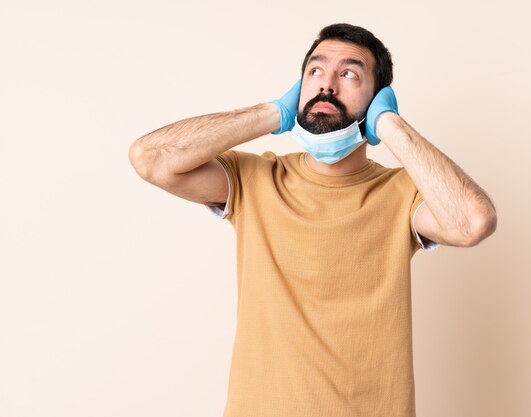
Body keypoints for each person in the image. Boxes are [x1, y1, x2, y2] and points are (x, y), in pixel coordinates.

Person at [129, 23, 497, 417]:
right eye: (315, 72)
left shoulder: (402, 193)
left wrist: (390, 125)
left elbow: (472, 223)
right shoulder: (255, 180)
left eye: (349, 74)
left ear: (377, 100)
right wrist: (273, 113)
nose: (327, 86)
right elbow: (150, 159)